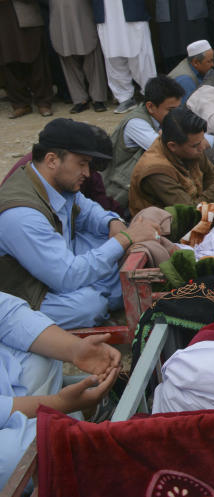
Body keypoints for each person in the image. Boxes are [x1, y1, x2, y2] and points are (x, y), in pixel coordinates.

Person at [0, 118, 163, 328]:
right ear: (52, 160)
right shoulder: (22, 215)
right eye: (82, 163)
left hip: (58, 264)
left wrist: (112, 222)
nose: (87, 173)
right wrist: (126, 238)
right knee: (89, 305)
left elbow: (89, 210)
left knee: (109, 245)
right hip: (27, 289)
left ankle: (105, 292)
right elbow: (66, 276)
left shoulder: (55, 182)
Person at [0, 291, 121, 487]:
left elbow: (8, 314)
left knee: (42, 355)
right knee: (21, 452)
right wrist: (58, 403)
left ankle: (70, 411)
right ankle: (75, 411)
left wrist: (75, 349)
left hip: (17, 391)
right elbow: (65, 275)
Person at [38, 0, 107, 114]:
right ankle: (80, 98)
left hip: (83, 15)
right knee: (66, 56)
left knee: (91, 55)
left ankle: (98, 98)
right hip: (59, 18)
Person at [128, 108, 214, 216]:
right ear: (172, 146)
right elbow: (190, 212)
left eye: (203, 139)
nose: (203, 146)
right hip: (161, 229)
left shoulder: (191, 147)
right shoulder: (156, 171)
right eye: (196, 145)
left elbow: (210, 174)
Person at [102, 76, 185, 207]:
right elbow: (169, 149)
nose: (175, 115)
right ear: (151, 107)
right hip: (120, 192)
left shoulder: (162, 119)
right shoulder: (136, 123)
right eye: (170, 110)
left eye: (178, 109)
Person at [1, 0, 54, 119]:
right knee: (9, 64)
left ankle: (43, 102)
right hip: (3, 26)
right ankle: (20, 103)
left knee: (36, 63)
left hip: (27, 22)